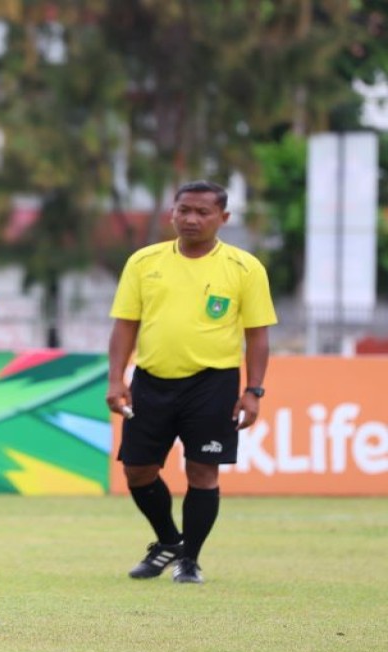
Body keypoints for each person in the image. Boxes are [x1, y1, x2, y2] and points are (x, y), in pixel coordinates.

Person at [106, 180, 276, 584]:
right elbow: (125, 325)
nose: (192, 219)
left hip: (213, 384)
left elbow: (257, 335)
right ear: (172, 213)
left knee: (203, 472)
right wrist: (116, 379)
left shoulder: (244, 267)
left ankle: (190, 561)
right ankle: (169, 541)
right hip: (151, 380)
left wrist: (253, 391)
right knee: (137, 471)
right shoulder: (144, 262)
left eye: (203, 212)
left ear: (223, 217)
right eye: (184, 210)